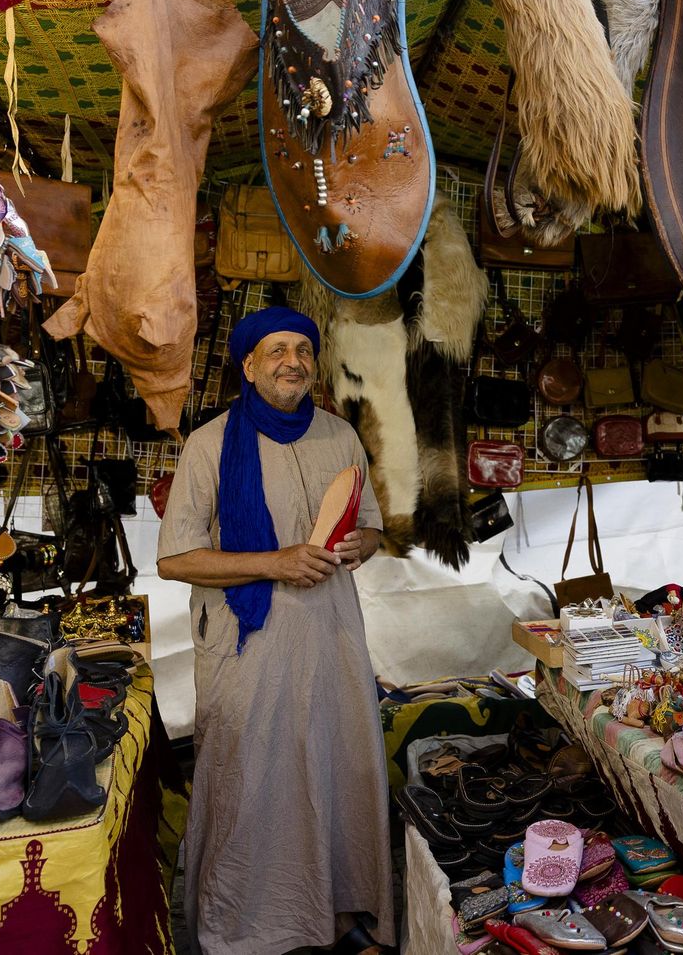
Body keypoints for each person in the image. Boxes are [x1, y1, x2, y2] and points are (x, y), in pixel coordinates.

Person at [158, 306, 393, 954]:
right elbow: (173, 558)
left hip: (331, 636)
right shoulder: (209, 444)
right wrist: (275, 561)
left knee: (335, 767)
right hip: (246, 644)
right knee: (252, 777)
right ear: (250, 365)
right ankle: (244, 924)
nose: (293, 360)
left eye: (302, 349)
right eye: (277, 350)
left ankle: (337, 910)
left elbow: (370, 526)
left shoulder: (340, 436)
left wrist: (361, 544)